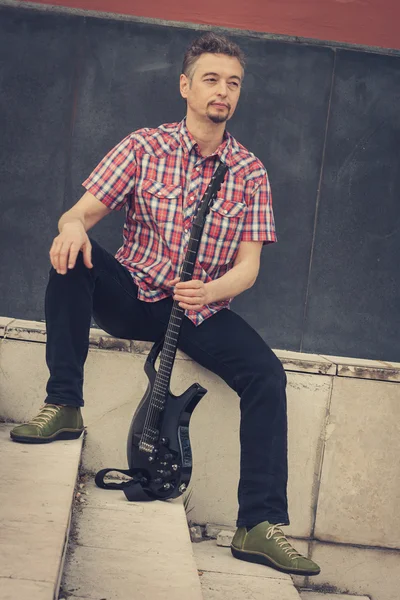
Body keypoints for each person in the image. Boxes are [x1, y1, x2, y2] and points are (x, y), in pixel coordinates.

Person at [10, 32, 320, 577]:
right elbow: (78, 213)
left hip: (199, 309)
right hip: (133, 292)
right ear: (185, 86)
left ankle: (259, 526)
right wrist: (70, 228)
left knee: (268, 375)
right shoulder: (143, 146)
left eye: (232, 82)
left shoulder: (249, 173)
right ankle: (63, 405)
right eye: (210, 79)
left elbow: (247, 270)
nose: (222, 91)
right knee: (70, 254)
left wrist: (212, 290)